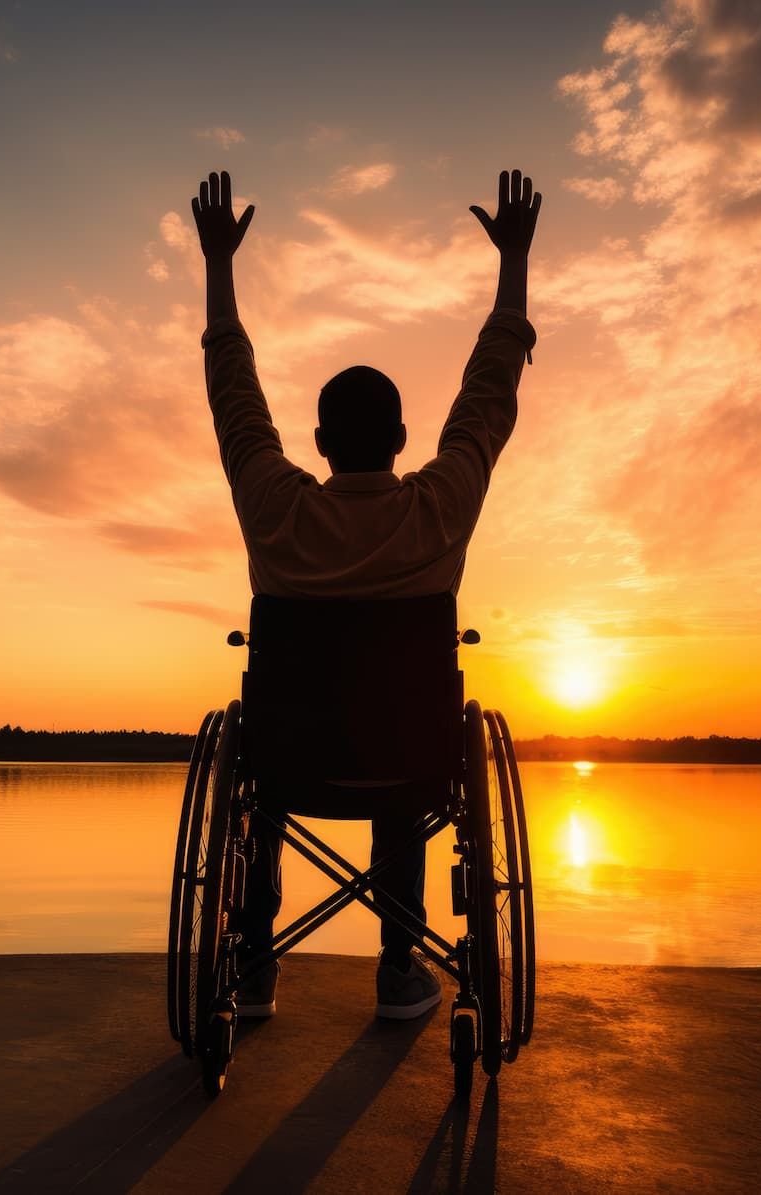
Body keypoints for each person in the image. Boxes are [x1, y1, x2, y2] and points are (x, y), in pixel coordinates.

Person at [192, 167, 540, 1020]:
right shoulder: (436, 509)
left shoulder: (276, 509)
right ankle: (397, 965)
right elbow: (488, 398)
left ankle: (254, 963)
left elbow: (232, 393)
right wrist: (514, 264)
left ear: (315, 440)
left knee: (270, 752)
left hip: (287, 763)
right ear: (399, 440)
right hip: (405, 763)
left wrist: (219, 265)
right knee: (402, 740)